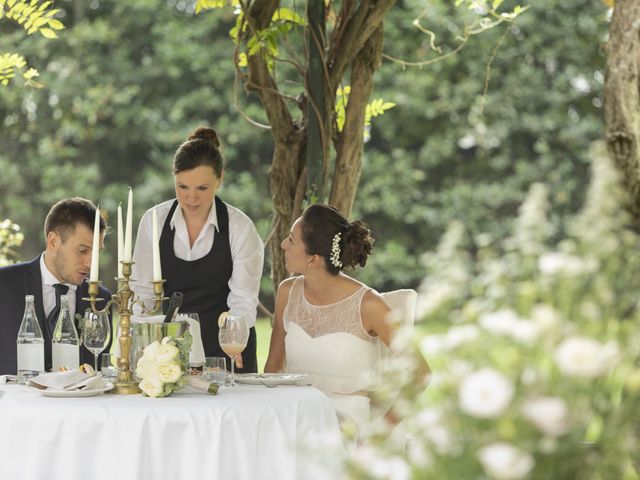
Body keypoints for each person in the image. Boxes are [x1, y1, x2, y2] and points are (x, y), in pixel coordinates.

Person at [132, 127, 264, 373]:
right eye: (182, 187)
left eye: (202, 188)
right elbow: (142, 294)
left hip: (227, 350)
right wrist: (142, 349)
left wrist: (233, 341)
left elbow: (243, 299)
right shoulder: (154, 222)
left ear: (220, 178)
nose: (191, 198)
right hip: (171, 354)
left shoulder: (240, 227)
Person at [264, 203, 395, 426]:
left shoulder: (369, 305)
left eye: (291, 240)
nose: (283, 245)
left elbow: (420, 374)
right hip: (293, 414)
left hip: (344, 421)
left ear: (313, 259)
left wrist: (380, 436)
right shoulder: (287, 292)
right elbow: (273, 366)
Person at [0, 197, 113, 374]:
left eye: (96, 253)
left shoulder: (101, 299)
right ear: (53, 241)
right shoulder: (4, 284)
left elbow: (99, 371)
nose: (91, 263)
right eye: (83, 250)